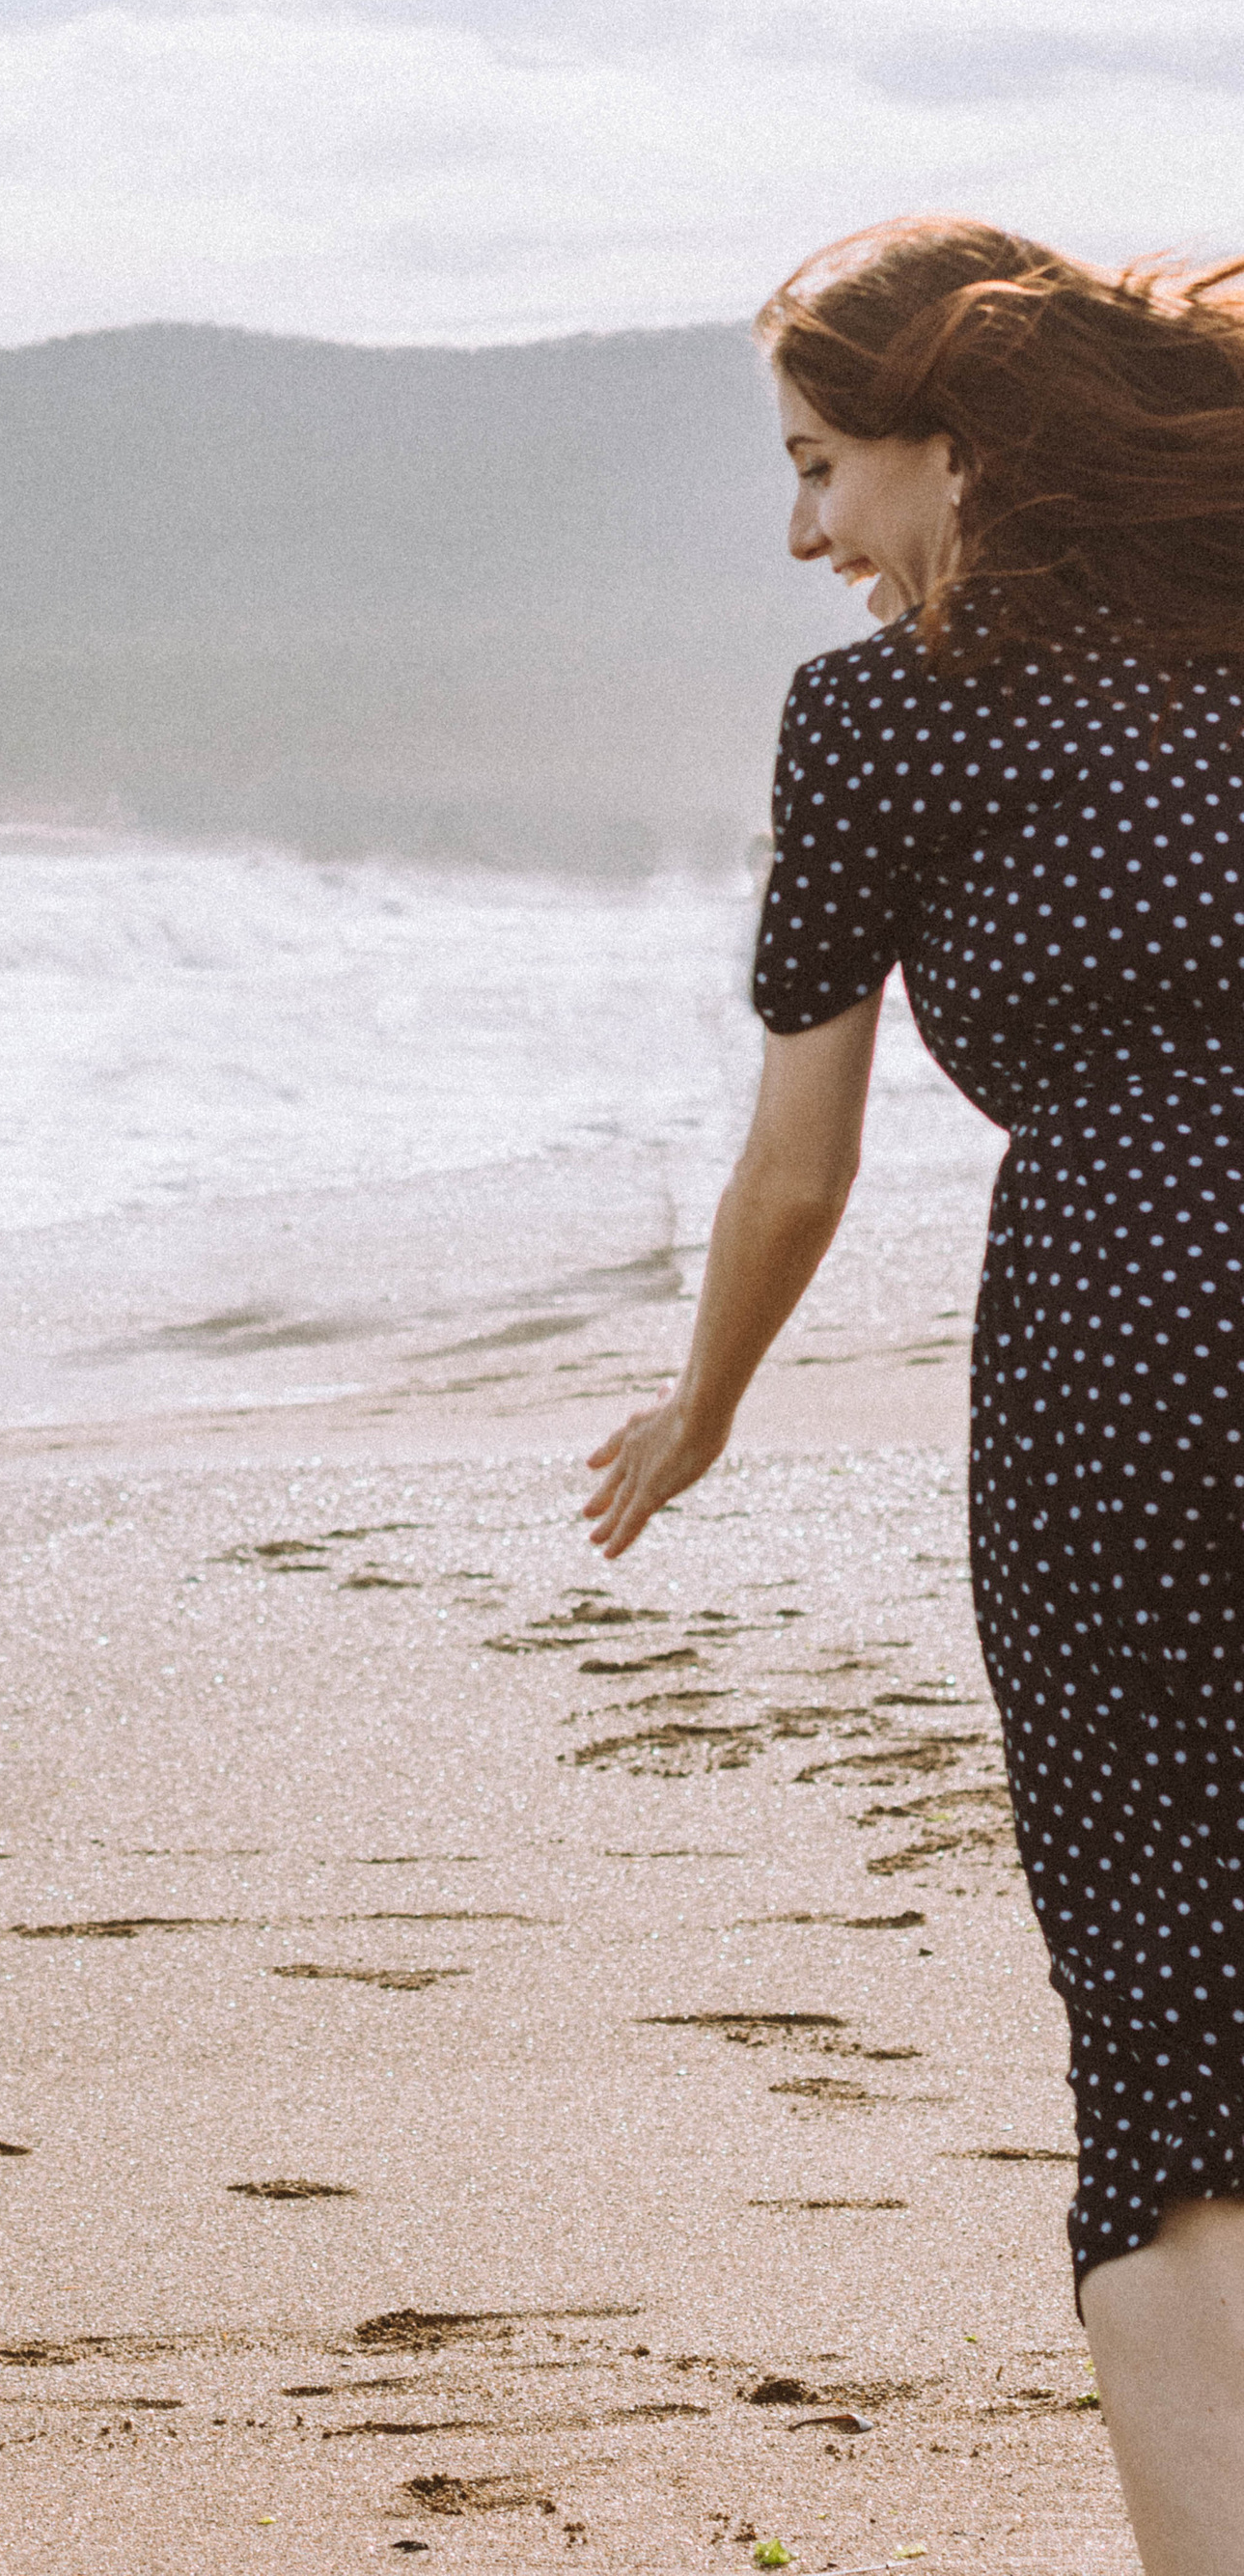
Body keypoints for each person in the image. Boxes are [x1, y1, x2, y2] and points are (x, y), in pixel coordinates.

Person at [584, 220, 1244, 2576]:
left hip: (1125, 1338)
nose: (801, 535)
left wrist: (703, 1405)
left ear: (953, 452)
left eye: (818, 468)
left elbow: (793, 1163)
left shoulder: (877, 720)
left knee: (1171, 2030)